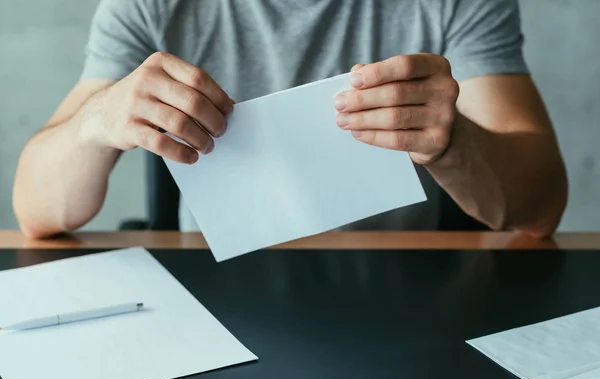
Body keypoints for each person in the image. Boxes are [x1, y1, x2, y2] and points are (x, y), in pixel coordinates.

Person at [13, 0, 568, 239]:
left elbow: (540, 211)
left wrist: (454, 146)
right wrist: (97, 122)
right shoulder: (152, 5)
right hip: (207, 295)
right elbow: (36, 212)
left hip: (401, 290)